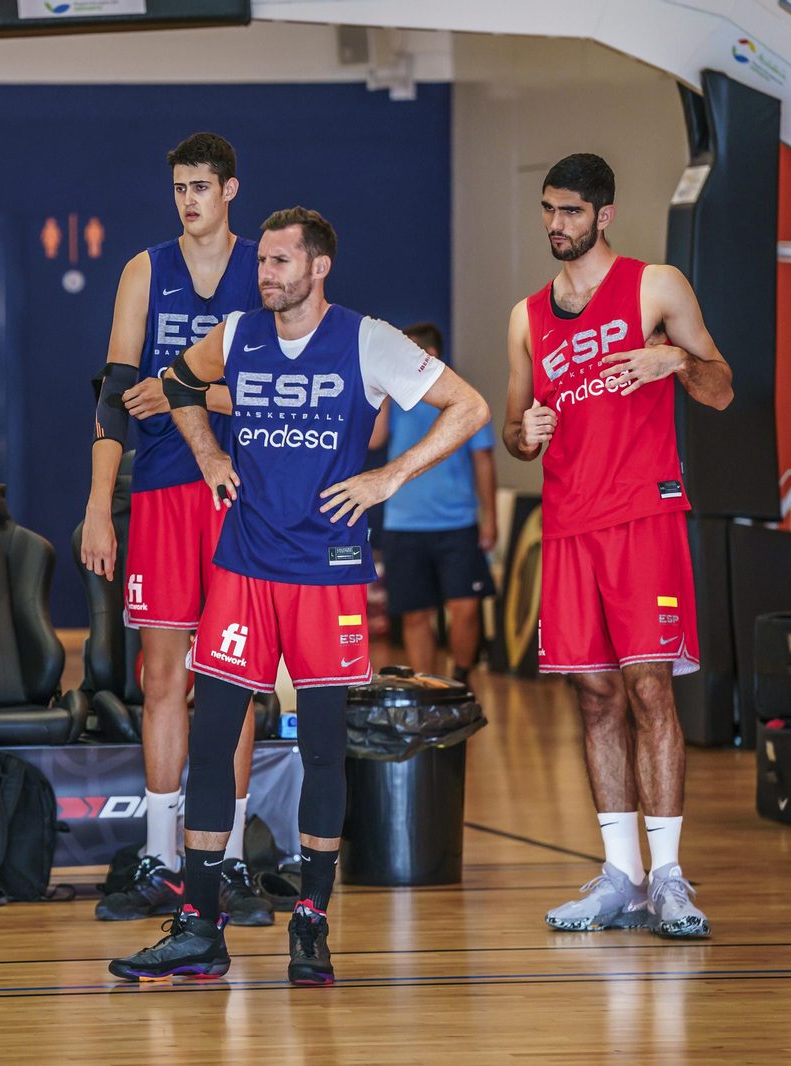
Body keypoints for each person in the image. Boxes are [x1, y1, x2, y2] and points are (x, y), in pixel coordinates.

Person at [109, 207, 489, 985]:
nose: (266, 272)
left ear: (319, 269)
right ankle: (198, 925)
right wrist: (209, 451)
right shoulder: (241, 333)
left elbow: (470, 407)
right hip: (246, 565)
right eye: (265, 261)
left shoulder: (366, 338)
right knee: (212, 743)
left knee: (321, 751)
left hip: (327, 571)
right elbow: (177, 381)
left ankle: (311, 923)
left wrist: (390, 476)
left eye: (282, 261)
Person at [504, 154, 732, 939]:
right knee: (594, 696)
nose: (554, 225)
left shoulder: (654, 285)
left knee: (647, 689)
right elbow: (513, 427)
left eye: (568, 212)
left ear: (602, 215)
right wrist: (522, 433)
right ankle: (621, 876)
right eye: (547, 210)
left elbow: (723, 385)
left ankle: (669, 876)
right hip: (569, 525)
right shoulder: (526, 315)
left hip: (643, 516)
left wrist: (675, 359)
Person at [80, 132, 271, 925]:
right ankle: (163, 861)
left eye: (202, 185)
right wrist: (99, 502)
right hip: (158, 490)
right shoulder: (143, 269)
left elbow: (278, 385)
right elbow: (116, 390)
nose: (189, 198)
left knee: (235, 681)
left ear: (230, 189)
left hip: (242, 490)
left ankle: (220, 866)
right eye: (179, 187)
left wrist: (186, 392)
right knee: (163, 678)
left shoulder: (268, 265)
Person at [369, 322, 498, 681]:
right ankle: (426, 689)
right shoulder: (393, 397)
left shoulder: (462, 395)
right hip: (404, 522)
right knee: (414, 614)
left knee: (466, 609)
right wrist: (380, 387)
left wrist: (490, 518)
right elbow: (373, 440)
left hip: (456, 522)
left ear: (430, 356)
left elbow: (483, 459)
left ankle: (460, 679)